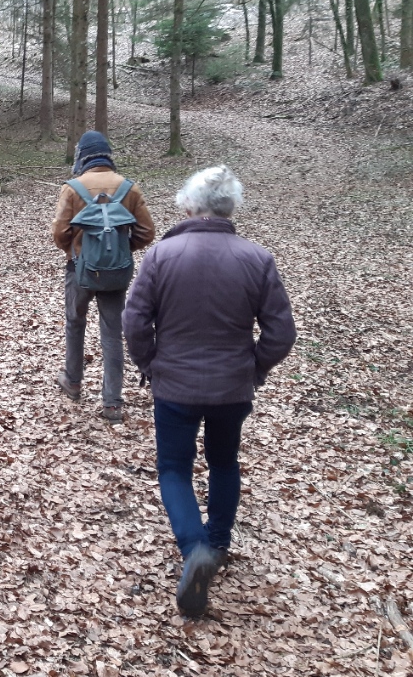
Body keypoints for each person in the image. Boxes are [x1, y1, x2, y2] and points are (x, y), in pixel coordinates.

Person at [123, 166, 296, 618]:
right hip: (231, 389)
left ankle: (195, 547)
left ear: (187, 206)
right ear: (230, 208)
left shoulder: (162, 256)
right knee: (223, 463)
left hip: (174, 385)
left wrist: (151, 364)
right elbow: (281, 333)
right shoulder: (257, 258)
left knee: (174, 469)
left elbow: (134, 321)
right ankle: (217, 543)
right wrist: (252, 369)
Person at [50, 129, 155, 423]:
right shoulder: (129, 188)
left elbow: (60, 232)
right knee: (112, 333)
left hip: (79, 269)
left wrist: (77, 252)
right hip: (116, 274)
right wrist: (121, 251)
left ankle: (72, 381)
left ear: (82, 156)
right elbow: (147, 232)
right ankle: (112, 402)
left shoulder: (73, 188)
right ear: (107, 155)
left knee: (75, 321)